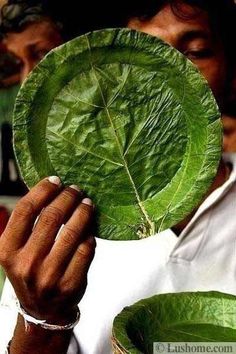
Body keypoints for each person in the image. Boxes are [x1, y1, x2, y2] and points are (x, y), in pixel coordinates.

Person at [0, 0, 236, 353]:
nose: (170, 78)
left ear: (231, 70)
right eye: (142, 59)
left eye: (196, 52)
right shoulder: (57, 227)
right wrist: (42, 318)